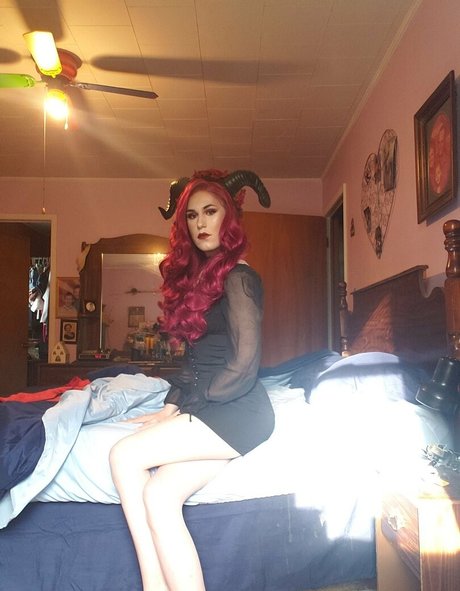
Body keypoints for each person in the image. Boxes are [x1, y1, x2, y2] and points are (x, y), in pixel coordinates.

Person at [109, 169, 275, 591]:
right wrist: (169, 407)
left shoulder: (239, 277)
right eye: (192, 215)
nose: (201, 223)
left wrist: (190, 410)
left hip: (238, 409)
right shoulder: (205, 279)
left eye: (211, 211)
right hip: (219, 406)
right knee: (159, 496)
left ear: (228, 217)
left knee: (124, 455)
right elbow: (195, 361)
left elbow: (244, 365)